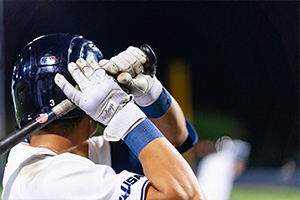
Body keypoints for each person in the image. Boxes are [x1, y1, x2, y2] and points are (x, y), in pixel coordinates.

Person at [2, 33, 206, 199]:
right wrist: (121, 114)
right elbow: (187, 195)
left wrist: (152, 95)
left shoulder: (48, 157)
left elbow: (175, 140)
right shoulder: (56, 179)